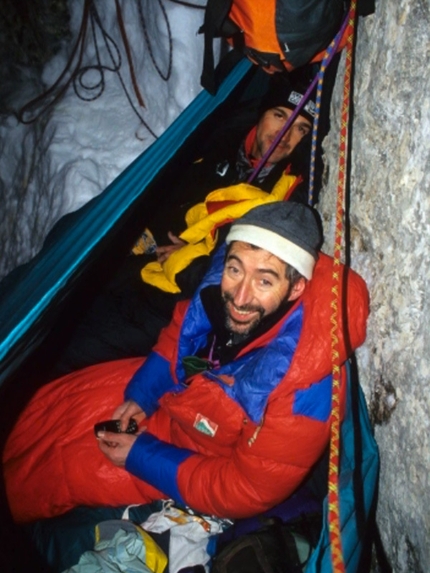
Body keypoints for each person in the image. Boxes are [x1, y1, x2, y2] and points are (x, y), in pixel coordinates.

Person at [3, 201, 369, 523]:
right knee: (40, 412)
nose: (240, 297)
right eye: (236, 269)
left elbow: (247, 489)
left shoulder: (302, 390)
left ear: (296, 288)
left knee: (50, 475)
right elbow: (180, 336)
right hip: (169, 398)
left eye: (264, 281)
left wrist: (141, 456)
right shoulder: (215, 293)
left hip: (186, 457)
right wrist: (143, 394)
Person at [49, 79, 320, 377]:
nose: (286, 134)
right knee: (59, 280)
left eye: (301, 129)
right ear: (262, 112)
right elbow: (161, 190)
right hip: (133, 262)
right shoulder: (215, 137)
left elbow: (238, 272)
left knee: (67, 350)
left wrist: (188, 258)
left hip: (168, 299)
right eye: (280, 115)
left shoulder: (283, 194)